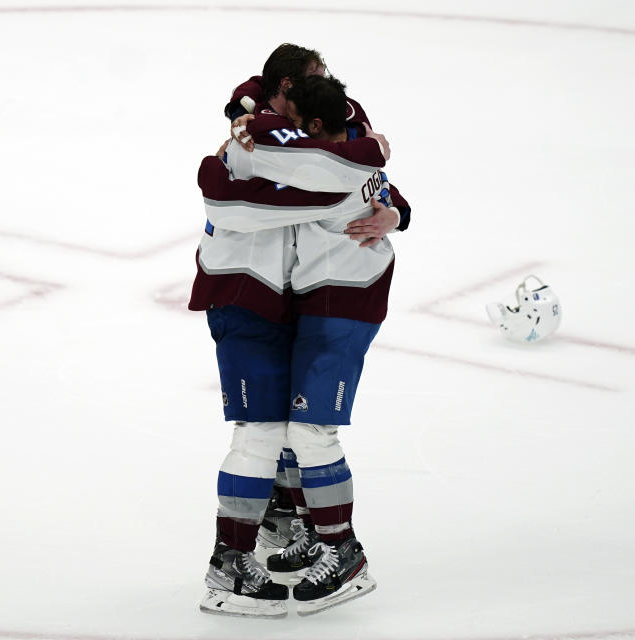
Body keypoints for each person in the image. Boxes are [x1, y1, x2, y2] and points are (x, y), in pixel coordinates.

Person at [192, 48, 409, 618]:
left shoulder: (296, 140)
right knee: (275, 430)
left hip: (328, 297)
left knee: (297, 430)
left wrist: (390, 207)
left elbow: (360, 174)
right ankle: (290, 536)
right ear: (289, 91)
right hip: (252, 297)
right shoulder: (263, 142)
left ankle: (328, 545)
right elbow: (239, 190)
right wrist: (371, 167)